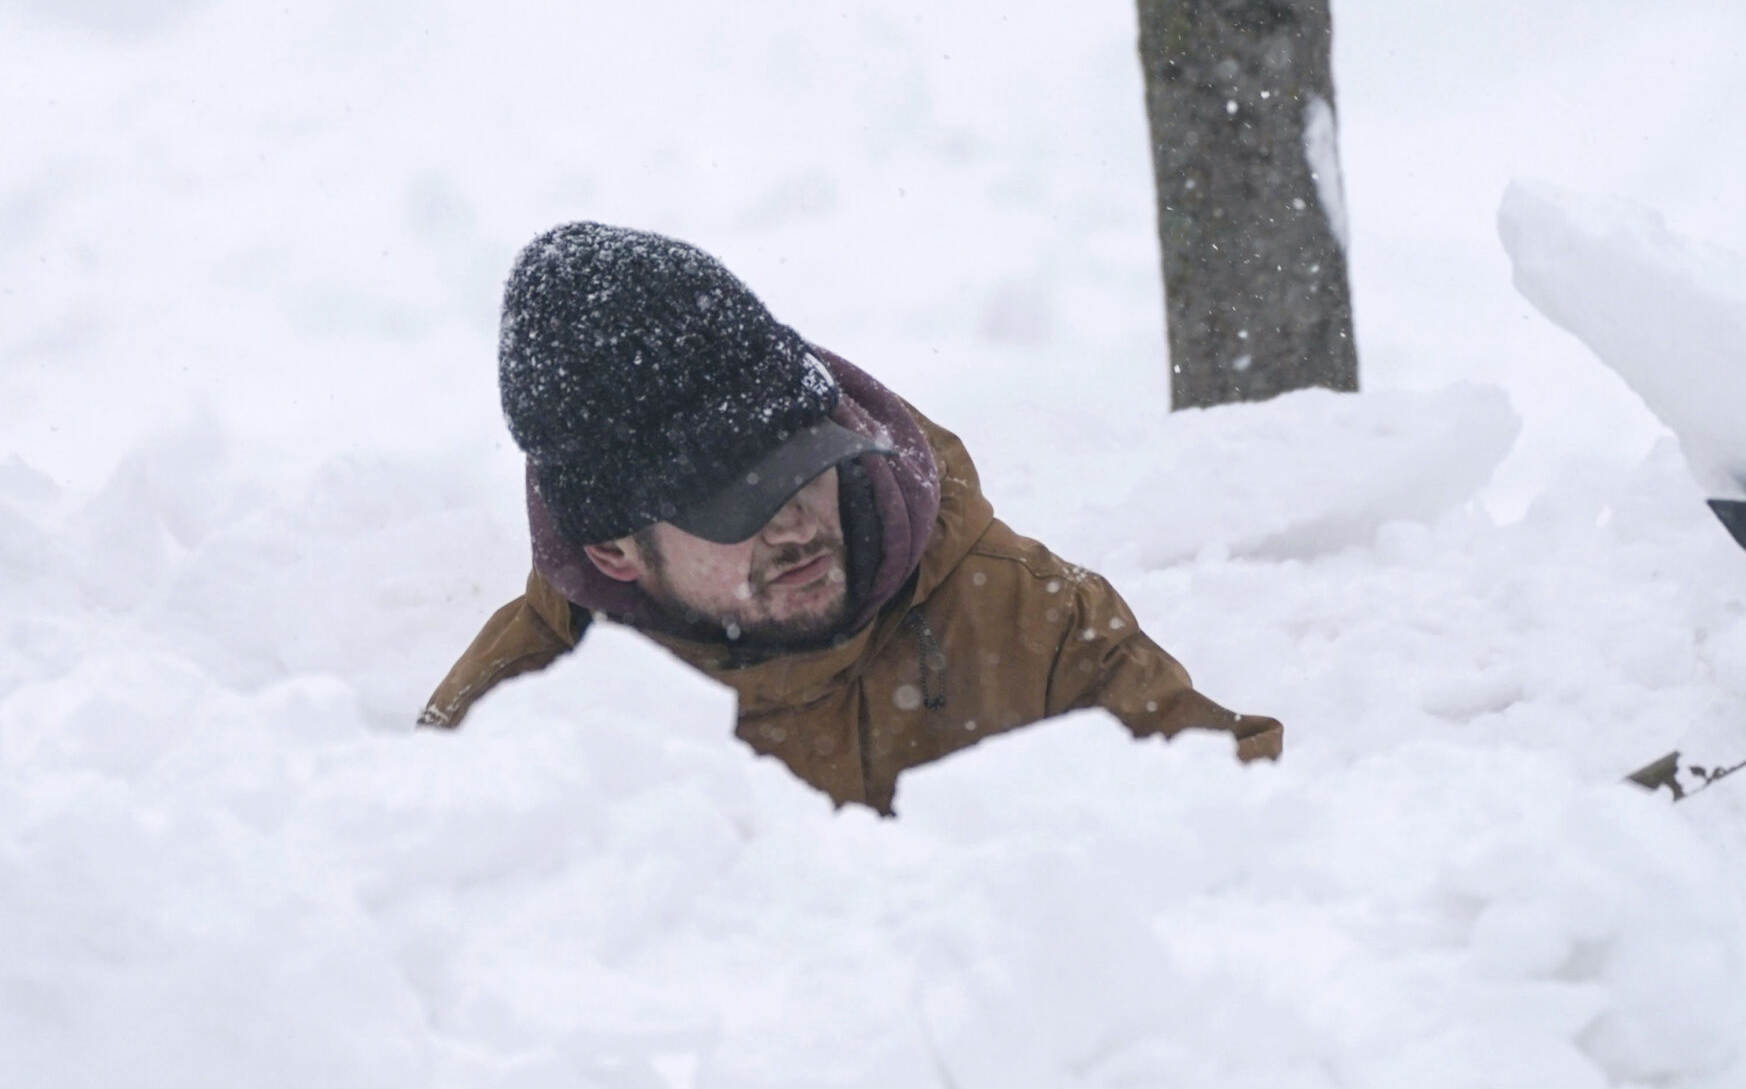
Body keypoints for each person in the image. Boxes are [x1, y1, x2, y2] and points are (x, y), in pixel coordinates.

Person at [422, 223, 1280, 812]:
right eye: (737, 507)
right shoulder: (512, 727)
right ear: (615, 553)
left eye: (806, 466)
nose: (796, 523)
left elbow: (1260, 829)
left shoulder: (1024, 622)